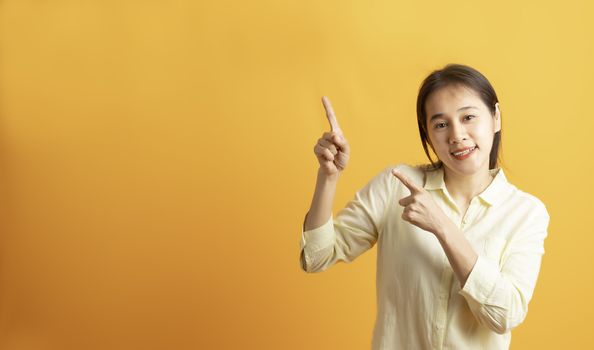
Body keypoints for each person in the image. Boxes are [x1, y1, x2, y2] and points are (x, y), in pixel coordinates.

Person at [299, 63, 550, 350]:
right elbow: (316, 257)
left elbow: (505, 315)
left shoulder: (526, 213)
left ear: (495, 117)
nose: (457, 135)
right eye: (441, 124)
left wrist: (442, 226)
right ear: (427, 133)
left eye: (468, 117)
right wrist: (328, 178)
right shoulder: (396, 185)